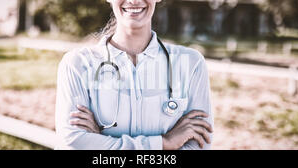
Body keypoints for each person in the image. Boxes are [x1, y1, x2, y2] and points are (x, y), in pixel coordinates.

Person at [55, 0, 214, 150]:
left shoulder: (191, 63)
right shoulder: (78, 64)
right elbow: (71, 144)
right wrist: (163, 143)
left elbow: (199, 143)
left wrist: (100, 141)